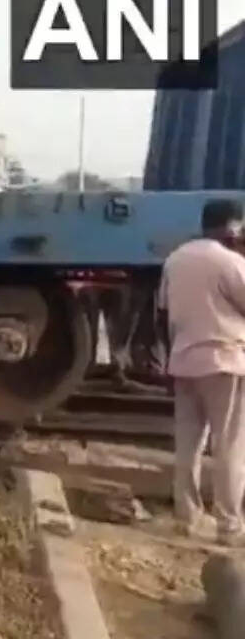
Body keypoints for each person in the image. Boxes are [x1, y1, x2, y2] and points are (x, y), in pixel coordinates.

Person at [158, 198, 245, 545]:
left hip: (184, 360)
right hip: (224, 361)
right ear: (232, 225)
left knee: (188, 445)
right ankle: (229, 526)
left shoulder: (175, 259)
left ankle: (188, 518)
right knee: (230, 446)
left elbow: (162, 312)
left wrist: (168, 357)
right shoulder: (231, 262)